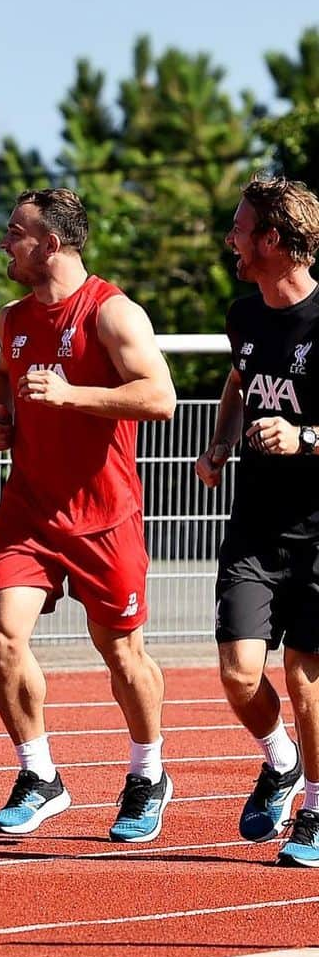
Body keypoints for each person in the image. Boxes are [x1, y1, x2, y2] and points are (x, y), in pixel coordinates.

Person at [0, 188, 176, 843]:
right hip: (30, 510)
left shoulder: (112, 313)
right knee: (5, 634)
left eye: (15, 233)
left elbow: (159, 397)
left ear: (51, 245)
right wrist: (2, 417)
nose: (4, 243)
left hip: (104, 514)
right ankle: (39, 774)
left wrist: (71, 396)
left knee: (121, 651)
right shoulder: (11, 319)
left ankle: (148, 772)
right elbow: (6, 374)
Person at [196, 175, 319, 867]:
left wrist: (304, 439)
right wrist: (222, 440)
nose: (231, 239)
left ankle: (316, 810)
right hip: (255, 527)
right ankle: (282, 763)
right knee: (240, 674)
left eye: (240, 228)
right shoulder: (243, 316)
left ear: (273, 240)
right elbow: (238, 385)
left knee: (305, 674)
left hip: (318, 533)